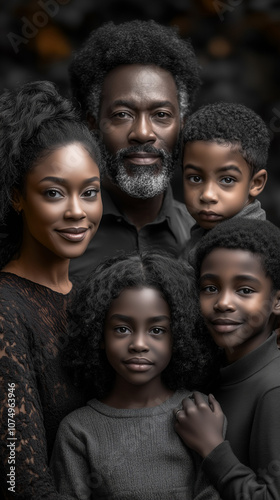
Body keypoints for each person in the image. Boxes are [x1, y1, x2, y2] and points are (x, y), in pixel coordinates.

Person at [0, 81, 103, 499]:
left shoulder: (90, 298)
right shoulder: (6, 310)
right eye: (54, 193)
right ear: (18, 198)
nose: (77, 211)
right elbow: (17, 479)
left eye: (90, 192)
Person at [50, 253, 223, 499]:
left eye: (157, 330)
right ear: (99, 334)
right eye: (122, 329)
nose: (139, 344)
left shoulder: (201, 413)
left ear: (178, 337)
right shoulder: (78, 432)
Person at [68, 20, 201, 279]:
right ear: (92, 124)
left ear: (182, 125)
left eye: (161, 114)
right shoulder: (59, 233)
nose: (142, 133)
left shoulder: (205, 236)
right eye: (122, 114)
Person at [174, 218, 280, 499]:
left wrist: (212, 447)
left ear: (277, 301)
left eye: (245, 290)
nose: (223, 302)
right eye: (210, 288)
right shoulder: (212, 371)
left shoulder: (273, 389)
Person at [181, 101, 270, 259]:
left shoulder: (247, 251)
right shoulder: (200, 234)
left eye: (227, 180)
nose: (207, 195)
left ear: (256, 183)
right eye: (195, 178)